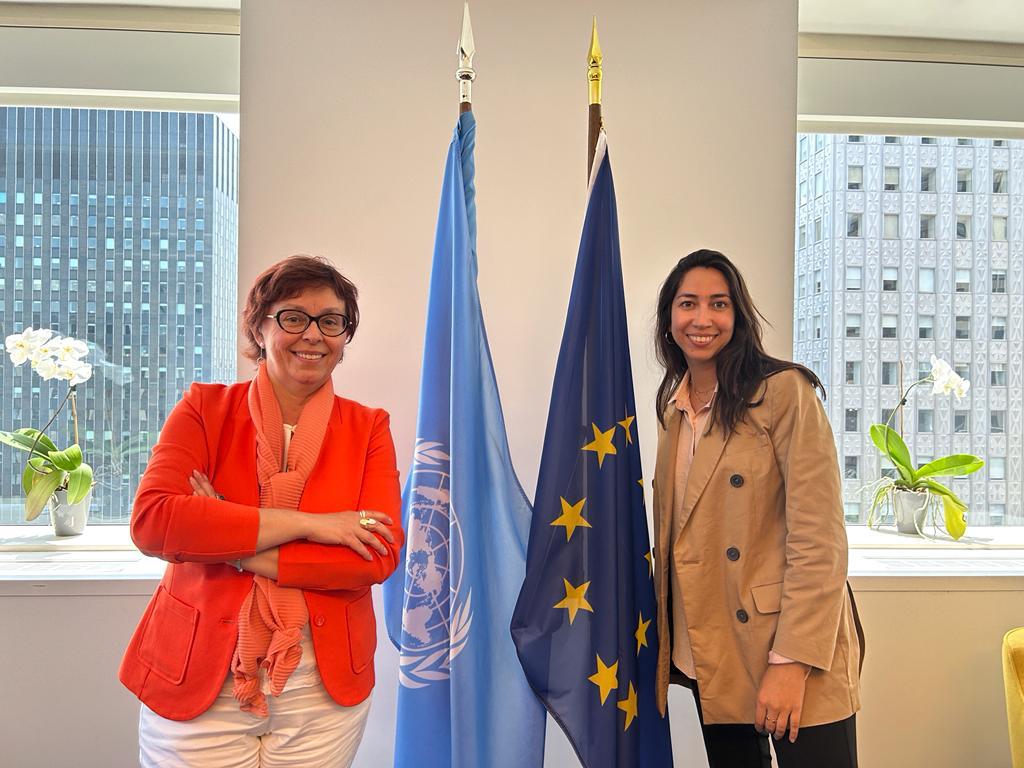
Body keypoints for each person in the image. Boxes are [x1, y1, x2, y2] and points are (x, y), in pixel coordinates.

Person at [120, 254, 404, 767]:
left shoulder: (369, 429)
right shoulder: (204, 410)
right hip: (200, 675)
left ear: (344, 337)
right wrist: (315, 526)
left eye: (331, 321)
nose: (313, 335)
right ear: (260, 325)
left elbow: (375, 557)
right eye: (293, 317)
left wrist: (228, 542)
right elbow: (155, 522)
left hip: (320, 686)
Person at [651, 249, 864, 767]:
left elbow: (820, 541)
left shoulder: (785, 394)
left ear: (738, 316)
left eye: (718, 304)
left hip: (792, 648)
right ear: (669, 320)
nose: (702, 319)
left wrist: (791, 663)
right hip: (714, 647)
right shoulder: (674, 410)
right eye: (688, 304)